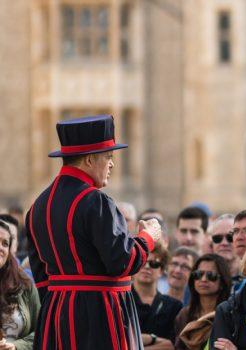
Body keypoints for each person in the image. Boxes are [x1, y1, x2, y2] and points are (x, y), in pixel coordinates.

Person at [26, 115, 162, 349]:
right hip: (101, 313)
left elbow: (40, 275)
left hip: (55, 314)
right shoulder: (95, 201)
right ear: (89, 159)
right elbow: (122, 261)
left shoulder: (38, 206)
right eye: (108, 157)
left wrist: (59, 303)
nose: (112, 164)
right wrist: (148, 237)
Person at [174, 254, 231, 350]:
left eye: (211, 275)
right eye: (198, 274)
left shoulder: (230, 315)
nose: (203, 279)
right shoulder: (184, 314)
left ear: (222, 282)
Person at [132, 244, 182, 348]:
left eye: (154, 263)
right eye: (142, 262)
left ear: (162, 270)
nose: (147, 267)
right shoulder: (119, 300)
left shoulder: (174, 306)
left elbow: (171, 346)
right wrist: (155, 340)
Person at [0, 220, 40, 350]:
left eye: (5, 243)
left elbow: (42, 329)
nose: (1, 247)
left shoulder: (25, 285)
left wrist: (16, 346)